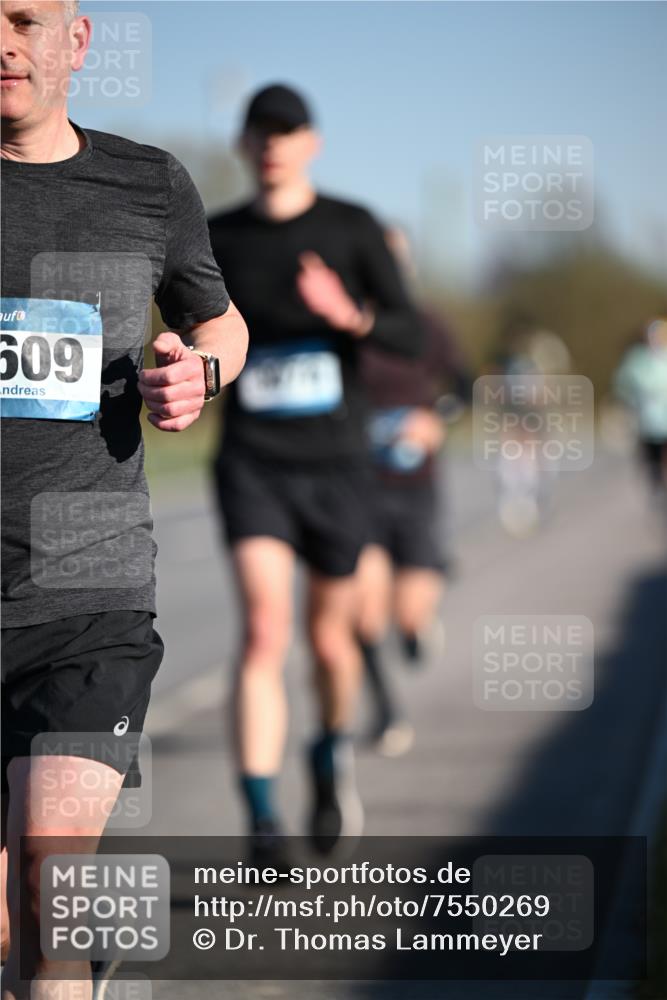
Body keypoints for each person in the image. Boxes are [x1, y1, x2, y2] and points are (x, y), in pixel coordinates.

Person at [0, 3, 248, 998]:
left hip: (84, 596)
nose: (0, 44)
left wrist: (202, 377)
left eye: (21, 19)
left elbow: (220, 323)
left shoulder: (146, 185)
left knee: (49, 885)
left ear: (78, 39)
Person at [208, 83, 422, 859]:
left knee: (330, 641)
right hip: (252, 461)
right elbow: (186, 323)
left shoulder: (350, 227)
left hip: (336, 463)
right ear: (243, 145)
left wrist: (349, 316)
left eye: (287, 131)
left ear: (312, 143)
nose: (272, 144)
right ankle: (262, 818)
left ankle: (328, 752)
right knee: (264, 630)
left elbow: (407, 332)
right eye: (259, 131)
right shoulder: (217, 235)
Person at [355, 226, 472, 756]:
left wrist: (435, 419)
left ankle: (418, 625)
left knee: (407, 614)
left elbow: (467, 388)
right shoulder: (346, 328)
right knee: (363, 610)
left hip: (416, 486)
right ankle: (386, 712)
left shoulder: (429, 327)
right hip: (358, 486)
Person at [614, 317, 667, 499]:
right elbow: (623, 384)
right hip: (649, 421)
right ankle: (657, 485)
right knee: (652, 459)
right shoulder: (637, 359)